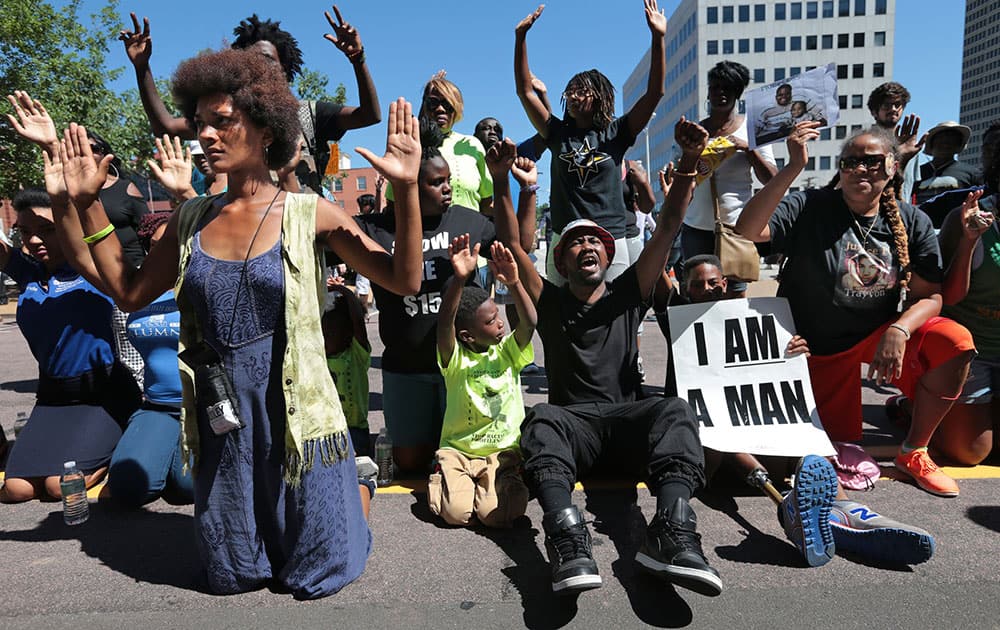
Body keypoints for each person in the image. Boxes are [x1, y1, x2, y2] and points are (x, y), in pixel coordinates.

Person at [57, 47, 425, 598]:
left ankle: (357, 491)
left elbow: (404, 280)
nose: (205, 135)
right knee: (232, 574)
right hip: (223, 411)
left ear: (265, 128)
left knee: (319, 571)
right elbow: (127, 291)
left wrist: (407, 188)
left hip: (297, 410)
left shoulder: (310, 213)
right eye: (200, 123)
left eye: (222, 122)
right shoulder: (189, 220)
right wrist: (86, 204)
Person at [490, 116, 724, 596]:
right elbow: (514, 243)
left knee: (676, 411)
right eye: (574, 241)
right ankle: (568, 541)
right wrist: (500, 180)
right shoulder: (550, 300)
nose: (586, 245)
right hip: (574, 432)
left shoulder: (629, 291)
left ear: (608, 250)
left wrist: (688, 163)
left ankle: (673, 534)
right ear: (560, 261)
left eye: (594, 239)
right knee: (541, 421)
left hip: (625, 423)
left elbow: (671, 223)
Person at [735, 122, 977, 498]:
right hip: (812, 347)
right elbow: (748, 229)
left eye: (873, 162)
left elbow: (931, 296)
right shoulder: (811, 205)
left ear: (894, 167)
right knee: (832, 447)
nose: (861, 170)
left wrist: (899, 331)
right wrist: (793, 166)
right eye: (850, 162)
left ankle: (914, 451)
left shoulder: (913, 221)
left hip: (874, 338)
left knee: (953, 339)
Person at [654, 254, 936, 566]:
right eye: (697, 285)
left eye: (712, 283)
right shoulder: (676, 318)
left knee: (805, 442)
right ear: (685, 289)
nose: (706, 289)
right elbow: (654, 269)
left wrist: (790, 350)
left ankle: (846, 510)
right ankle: (793, 508)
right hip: (709, 457)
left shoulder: (753, 321)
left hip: (754, 444)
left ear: (725, 284)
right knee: (720, 435)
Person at [354, 121, 497, 474]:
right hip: (406, 368)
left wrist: (510, 186)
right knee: (411, 464)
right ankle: (408, 431)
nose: (448, 188)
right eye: (436, 182)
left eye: (448, 179)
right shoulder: (376, 229)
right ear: (410, 186)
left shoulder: (470, 221)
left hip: (460, 368)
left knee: (461, 457)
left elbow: (518, 245)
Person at [118, 7, 381, 194]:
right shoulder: (227, 115)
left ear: (285, 67)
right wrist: (142, 68)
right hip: (249, 232)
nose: (259, 68)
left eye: (267, 60)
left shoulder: (310, 113)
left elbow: (369, 116)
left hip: (305, 230)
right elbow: (164, 127)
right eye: (250, 60)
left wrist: (357, 59)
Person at [0, 188, 140, 503]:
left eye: (47, 230)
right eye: (26, 232)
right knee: (16, 489)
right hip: (53, 397)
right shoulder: (28, 273)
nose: (34, 240)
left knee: (57, 486)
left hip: (104, 394)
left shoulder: (93, 268)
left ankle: (125, 437)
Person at [514, 1, 666, 283]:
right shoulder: (556, 133)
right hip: (564, 236)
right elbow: (525, 92)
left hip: (611, 236)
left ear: (599, 97)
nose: (573, 96)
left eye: (581, 91)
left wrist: (658, 38)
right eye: (570, 91)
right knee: (561, 313)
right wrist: (520, 38)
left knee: (615, 312)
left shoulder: (617, 133)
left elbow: (655, 93)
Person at [428, 237, 534, 528]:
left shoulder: (508, 352)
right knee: (455, 514)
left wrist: (514, 282)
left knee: (495, 516)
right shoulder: (455, 360)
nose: (500, 323)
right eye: (490, 322)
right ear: (468, 336)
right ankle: (444, 472)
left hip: (501, 452)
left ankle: (504, 480)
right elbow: (445, 323)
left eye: (497, 316)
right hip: (459, 450)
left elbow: (529, 323)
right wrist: (458, 281)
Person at [932, 121, 1000, 465]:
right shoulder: (969, 216)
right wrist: (970, 240)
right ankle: (918, 405)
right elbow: (949, 297)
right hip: (975, 350)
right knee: (971, 453)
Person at [681, 61, 777, 297]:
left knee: (735, 293)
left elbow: (772, 179)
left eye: (727, 88)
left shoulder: (752, 130)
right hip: (696, 226)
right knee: (697, 295)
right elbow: (681, 177)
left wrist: (749, 150)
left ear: (738, 92)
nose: (720, 93)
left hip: (736, 225)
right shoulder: (695, 131)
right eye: (715, 87)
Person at [385, 74, 493, 214]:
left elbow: (487, 202)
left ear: (457, 108)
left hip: (472, 232)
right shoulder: (413, 146)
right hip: (426, 233)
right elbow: (394, 204)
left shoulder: (472, 145)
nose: (440, 109)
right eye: (433, 103)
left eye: (447, 104)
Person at [322, 283, 376, 519]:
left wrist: (346, 293)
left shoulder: (356, 355)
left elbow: (357, 323)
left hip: (355, 431)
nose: (325, 340)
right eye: (322, 333)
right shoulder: (317, 358)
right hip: (328, 433)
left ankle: (363, 488)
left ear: (347, 335)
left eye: (332, 334)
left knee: (354, 470)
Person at [914, 121, 982, 227]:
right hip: (918, 227)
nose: (945, 143)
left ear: (958, 145)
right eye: (941, 139)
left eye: (951, 140)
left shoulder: (972, 173)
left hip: (955, 230)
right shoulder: (917, 172)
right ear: (932, 143)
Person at [867, 81, 923, 200]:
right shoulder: (866, 143)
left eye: (897, 104)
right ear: (874, 112)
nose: (893, 109)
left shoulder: (910, 144)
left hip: (902, 212)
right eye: (886, 105)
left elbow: (913, 187)